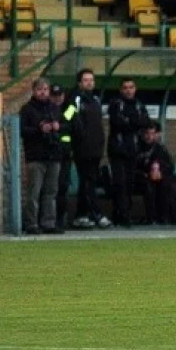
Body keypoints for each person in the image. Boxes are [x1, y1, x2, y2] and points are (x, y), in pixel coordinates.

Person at [63, 68, 111, 229]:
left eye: (91, 79)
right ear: (79, 83)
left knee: (87, 181)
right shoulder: (75, 99)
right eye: (86, 80)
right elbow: (67, 118)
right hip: (82, 148)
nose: (89, 82)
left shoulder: (96, 100)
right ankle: (96, 213)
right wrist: (78, 137)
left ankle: (81, 215)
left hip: (96, 148)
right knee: (89, 180)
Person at [19, 78, 66, 235]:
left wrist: (58, 127)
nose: (43, 92)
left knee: (51, 192)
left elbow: (68, 125)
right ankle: (31, 223)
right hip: (36, 156)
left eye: (45, 89)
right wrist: (39, 129)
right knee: (34, 192)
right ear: (33, 91)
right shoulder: (26, 109)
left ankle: (48, 223)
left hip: (54, 156)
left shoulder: (55, 108)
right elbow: (21, 130)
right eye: (40, 89)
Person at [107, 77, 150, 227]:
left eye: (131, 87)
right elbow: (118, 122)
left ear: (135, 89)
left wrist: (131, 121)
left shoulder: (138, 105)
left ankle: (126, 214)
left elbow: (146, 122)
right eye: (125, 87)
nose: (128, 90)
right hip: (118, 150)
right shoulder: (116, 103)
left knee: (130, 184)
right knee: (120, 184)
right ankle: (120, 216)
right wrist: (134, 122)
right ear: (121, 90)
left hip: (133, 151)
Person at [135, 121, 174, 225]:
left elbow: (170, 166)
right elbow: (132, 169)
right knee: (149, 186)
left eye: (152, 133)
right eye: (147, 133)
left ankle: (164, 217)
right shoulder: (136, 148)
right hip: (141, 178)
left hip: (158, 177)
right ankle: (151, 219)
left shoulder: (160, 148)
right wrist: (147, 174)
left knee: (166, 184)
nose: (149, 136)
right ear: (142, 134)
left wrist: (161, 173)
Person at [51, 84, 72, 231]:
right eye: (55, 95)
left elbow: (70, 125)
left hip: (65, 154)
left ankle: (60, 219)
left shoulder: (70, 108)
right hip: (50, 153)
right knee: (50, 188)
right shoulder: (47, 108)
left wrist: (58, 127)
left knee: (62, 187)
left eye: (60, 95)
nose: (57, 98)